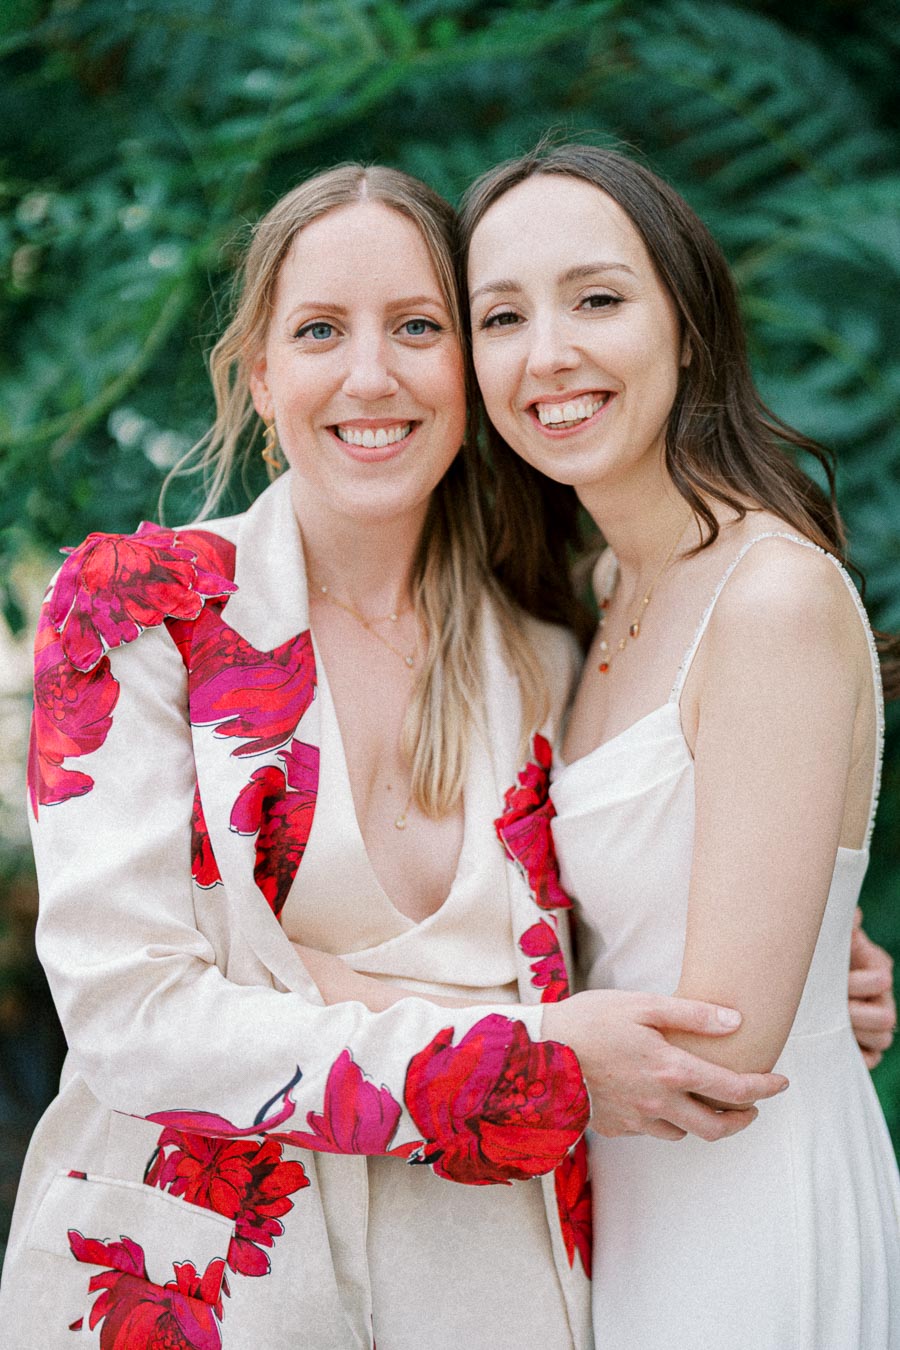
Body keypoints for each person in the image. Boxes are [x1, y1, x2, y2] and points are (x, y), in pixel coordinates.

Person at [0, 164, 799, 1350]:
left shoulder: (548, 653)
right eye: (321, 330)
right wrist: (518, 1060)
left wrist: (816, 942)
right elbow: (132, 1015)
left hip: (492, 1293)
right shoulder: (138, 614)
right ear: (262, 372)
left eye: (419, 327)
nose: (370, 376)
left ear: (470, 373)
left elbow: (640, 902)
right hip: (190, 1287)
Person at [460, 142, 900, 1348]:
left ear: (689, 326)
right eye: (502, 315)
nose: (548, 352)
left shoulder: (768, 600)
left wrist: (405, 1056)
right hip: (629, 1208)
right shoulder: (603, 584)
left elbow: (718, 1052)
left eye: (597, 298)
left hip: (749, 1214)